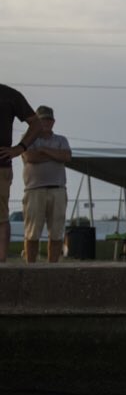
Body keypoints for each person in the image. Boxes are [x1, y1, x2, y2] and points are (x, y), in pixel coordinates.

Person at [21, 106, 71, 263]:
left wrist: (43, 150)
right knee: (32, 232)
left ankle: (53, 268)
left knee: (56, 232)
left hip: (58, 190)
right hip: (34, 191)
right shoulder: (27, 138)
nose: (46, 122)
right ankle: (31, 268)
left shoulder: (61, 139)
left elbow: (67, 156)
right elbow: (30, 157)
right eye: (43, 119)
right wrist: (55, 155)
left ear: (53, 122)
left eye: (49, 119)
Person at [1, 84, 44, 263]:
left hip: (0, 166)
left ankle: (1, 263)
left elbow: (36, 123)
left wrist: (19, 148)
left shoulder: (9, 95)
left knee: (1, 216)